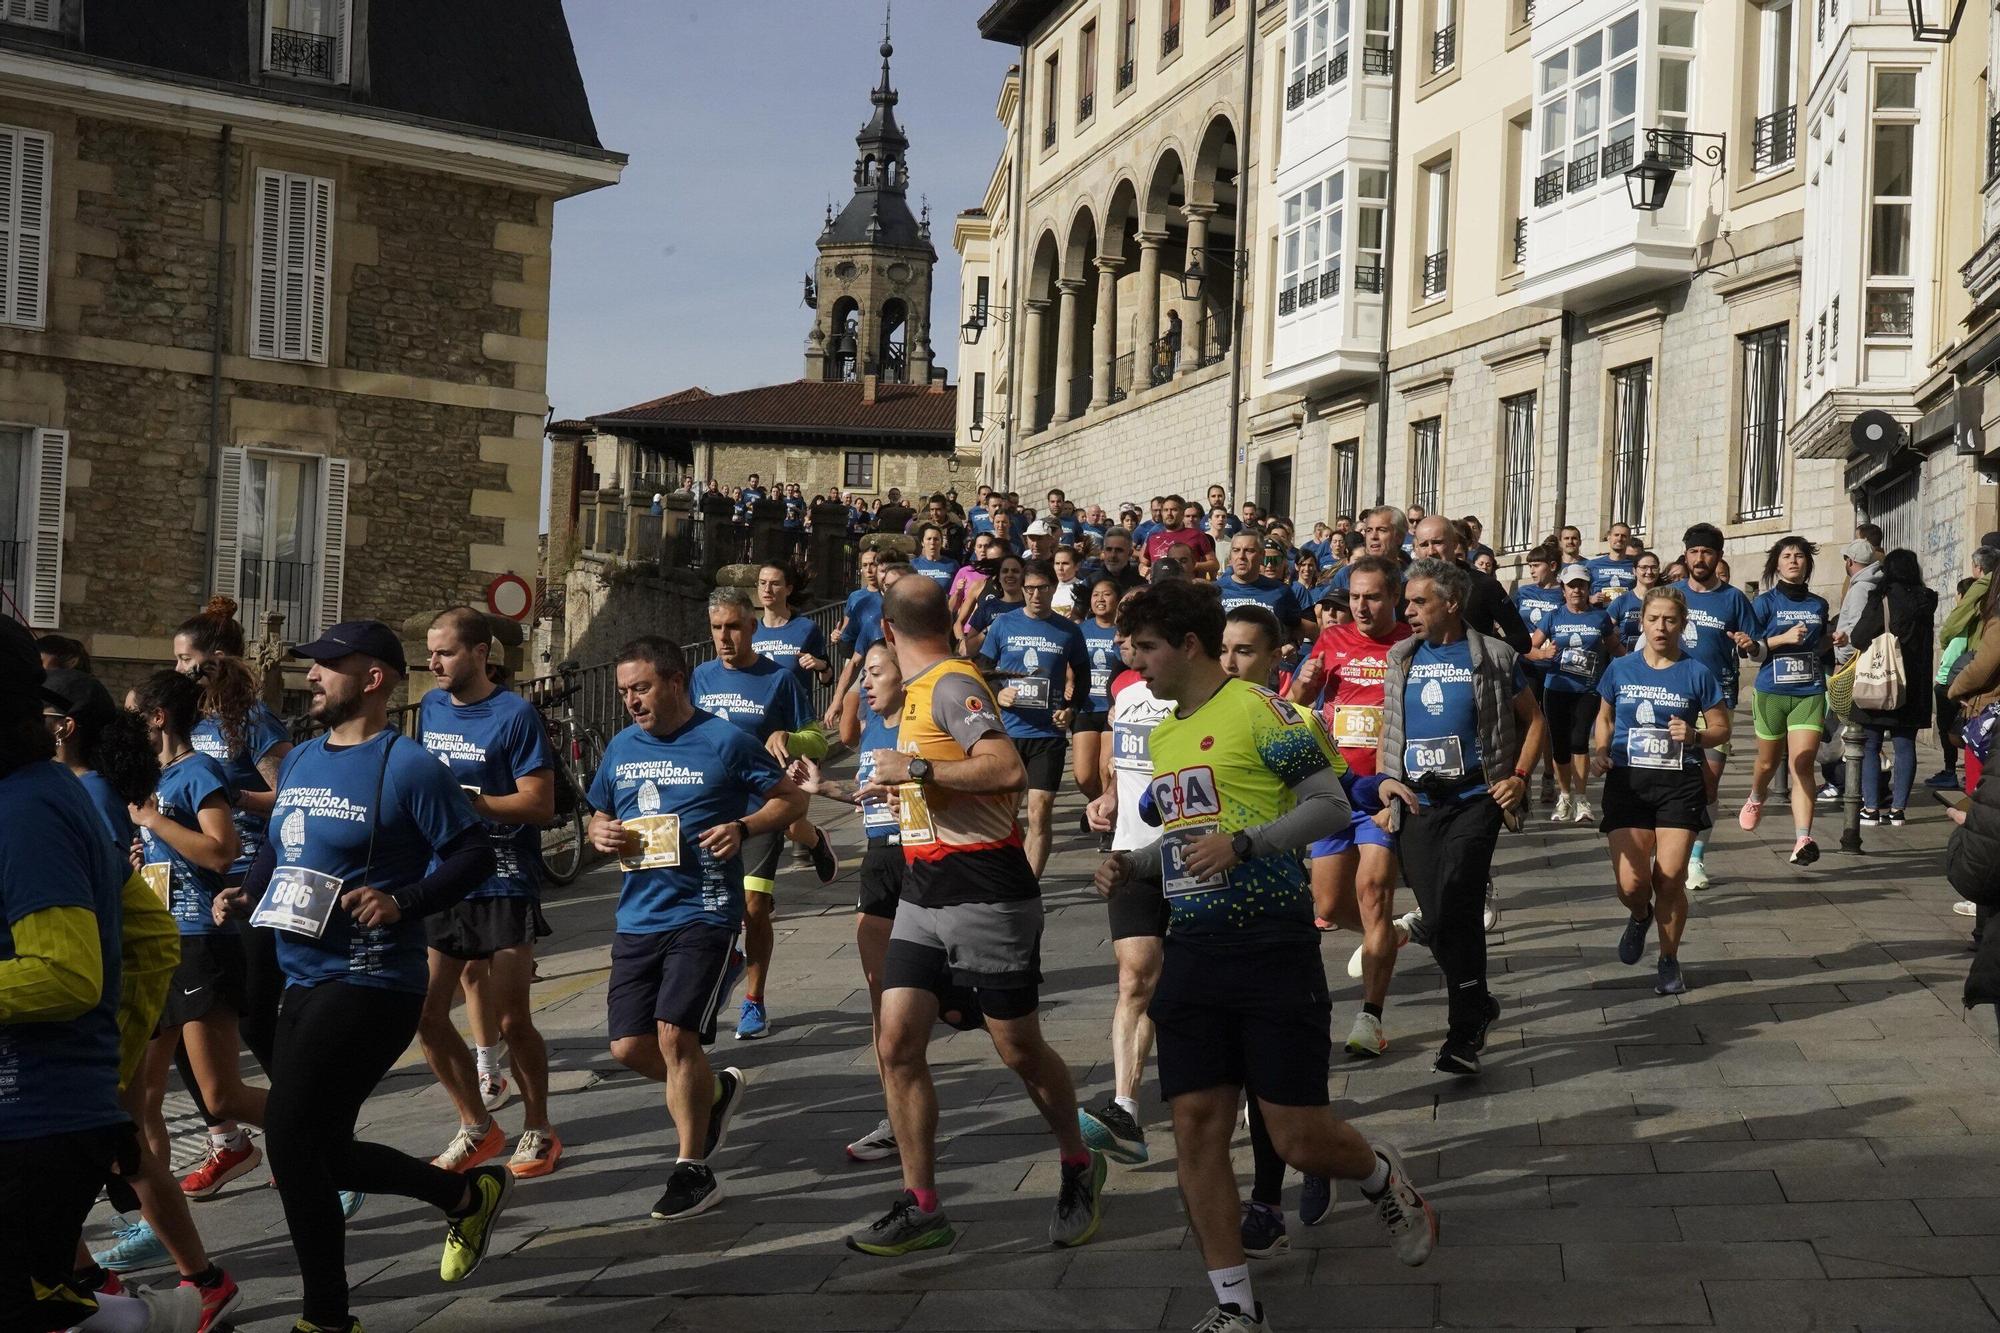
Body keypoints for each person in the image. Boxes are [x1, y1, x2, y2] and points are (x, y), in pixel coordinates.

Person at [1093, 581, 1436, 1331]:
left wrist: (1247, 844)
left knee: (1297, 1137)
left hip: (1273, 946)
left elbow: (1328, 804)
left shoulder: (1263, 712)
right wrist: (1135, 865)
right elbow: (1188, 842)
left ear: (1188, 645)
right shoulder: (1165, 735)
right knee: (1195, 1126)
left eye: (1145, 647)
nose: (1134, 663)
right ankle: (1237, 1308)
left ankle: (1379, 1175)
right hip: (1195, 950)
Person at [228, 620, 511, 1331]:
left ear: (374, 678)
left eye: (329, 664)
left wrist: (402, 900)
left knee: (291, 1141)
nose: (312, 676)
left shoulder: (408, 765)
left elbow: (473, 855)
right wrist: (247, 893)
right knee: (323, 1151)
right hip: (302, 976)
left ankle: (327, 1318)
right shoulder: (301, 758)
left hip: (373, 979)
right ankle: (464, 1197)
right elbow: (283, 847)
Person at [847, 576, 1105, 1257]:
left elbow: (1005, 768)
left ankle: (1078, 1159)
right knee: (897, 1043)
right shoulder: (919, 688)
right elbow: (934, 779)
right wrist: (900, 789)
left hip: (987, 889)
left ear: (887, 628)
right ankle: (922, 1204)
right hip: (923, 890)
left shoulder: (950, 685)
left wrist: (917, 772)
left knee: (1018, 1048)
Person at [0, 620, 208, 1333]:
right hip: (52, 1112)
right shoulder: (40, 790)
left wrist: (102, 1075)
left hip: (31, 1119)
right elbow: (149, 933)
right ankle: (135, 1320)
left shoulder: (26, 807)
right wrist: (107, 1074)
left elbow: (64, 973)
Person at [589, 635, 807, 1221]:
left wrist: (743, 826)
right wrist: (598, 832)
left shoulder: (724, 740)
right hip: (638, 915)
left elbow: (790, 800)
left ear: (675, 682)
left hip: (705, 910)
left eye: (641, 688)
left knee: (674, 1035)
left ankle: (693, 1170)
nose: (631, 701)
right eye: (624, 692)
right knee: (627, 1046)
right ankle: (714, 1091)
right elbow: (600, 812)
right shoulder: (621, 747)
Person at [1377, 559, 1546, 1078]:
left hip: (1477, 798)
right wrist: (1385, 782)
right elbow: (1391, 728)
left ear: (1451, 603)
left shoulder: (1494, 655)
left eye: (1419, 602)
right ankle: (1479, 1002)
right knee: (1439, 916)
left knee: (1458, 904)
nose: (1408, 611)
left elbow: (1534, 721)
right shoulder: (1402, 656)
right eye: (1407, 602)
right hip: (1417, 803)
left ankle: (1463, 1032)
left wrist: (1519, 776)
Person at [415, 608, 562, 1180]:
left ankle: (539, 1127)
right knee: (426, 1015)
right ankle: (476, 1125)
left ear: (480, 654)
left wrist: (470, 803)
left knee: (510, 1019)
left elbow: (540, 805)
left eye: (445, 653)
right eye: (430, 652)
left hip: (503, 878)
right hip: (444, 876)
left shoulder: (515, 715)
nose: (433, 663)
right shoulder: (430, 706)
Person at [174, 598, 294, 1195]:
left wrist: (233, 799)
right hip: (192, 883)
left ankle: (312, 1137)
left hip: (249, 877)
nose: (178, 670)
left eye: (185, 659)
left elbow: (294, 794)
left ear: (215, 659)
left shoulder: (253, 721)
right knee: (183, 1021)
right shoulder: (182, 722)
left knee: (255, 1019)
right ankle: (227, 1141)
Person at [689, 588, 835, 1040]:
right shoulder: (700, 677)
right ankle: (810, 837)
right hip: (710, 808)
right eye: (717, 628)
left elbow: (818, 738)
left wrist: (789, 738)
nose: (725, 637)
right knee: (711, 909)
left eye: (733, 627)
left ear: (752, 627)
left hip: (762, 805)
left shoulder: (779, 679)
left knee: (754, 907)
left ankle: (754, 1001)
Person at [1292, 555, 1415, 1061]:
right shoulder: (1332, 641)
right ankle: (1387, 935)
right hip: (1333, 788)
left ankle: (1370, 1018)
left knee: (1373, 891)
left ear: (1394, 598)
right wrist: (1304, 685)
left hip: (1381, 793)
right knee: (1327, 906)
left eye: (1373, 597)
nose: (1361, 607)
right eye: (1355, 597)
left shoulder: (1411, 643)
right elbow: (1294, 706)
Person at [791, 641, 907, 1163]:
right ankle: (896, 1115)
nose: (865, 683)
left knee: (963, 1003)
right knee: (880, 992)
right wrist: (823, 787)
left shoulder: (925, 723)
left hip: (925, 859)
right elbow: (866, 793)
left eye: (875, 673)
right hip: (880, 861)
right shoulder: (873, 729)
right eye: (864, 675)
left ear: (904, 676)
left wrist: (908, 793)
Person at [1589, 586, 1730, 997]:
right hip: (1628, 782)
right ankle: (1639, 915)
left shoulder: (1697, 672)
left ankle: (1668, 958)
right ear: (1642, 622)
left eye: (1670, 620)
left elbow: (1722, 728)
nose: (1661, 627)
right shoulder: (1621, 668)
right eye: (1653, 619)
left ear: (1682, 624)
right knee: (1632, 885)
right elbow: (1604, 716)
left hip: (1678, 783)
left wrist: (1696, 735)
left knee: (1669, 879)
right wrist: (1601, 750)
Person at [1077, 608, 1173, 1168]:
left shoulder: (1199, 697)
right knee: (1135, 976)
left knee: (1193, 985)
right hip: (1131, 856)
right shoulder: (1127, 693)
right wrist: (1109, 797)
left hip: (1197, 858)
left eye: (1140, 639)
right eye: (1123, 637)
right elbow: (1120, 765)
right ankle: (1126, 1110)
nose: (1127, 646)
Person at [976, 559, 1092, 878]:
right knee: (1006, 814)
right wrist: (999, 692)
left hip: (1047, 736)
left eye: (1042, 588)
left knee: (1039, 813)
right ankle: (1007, 873)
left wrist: (1071, 708)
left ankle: (1030, 884)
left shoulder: (1068, 630)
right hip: (1009, 735)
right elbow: (982, 669)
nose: (1035, 595)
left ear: (1053, 589)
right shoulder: (1003, 625)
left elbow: (1083, 675)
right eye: (1030, 589)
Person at [1671, 524, 1759, 890]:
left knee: (1708, 783)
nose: (1700, 558)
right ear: (1686, 555)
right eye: (1694, 551)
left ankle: (1695, 859)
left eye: (1707, 552)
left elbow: (1756, 647)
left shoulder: (1734, 599)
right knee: (1668, 779)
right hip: (1672, 698)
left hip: (1716, 702)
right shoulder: (1671, 595)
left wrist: (1748, 645)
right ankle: (1668, 850)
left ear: (1718, 556)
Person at [1738, 537, 1833, 867]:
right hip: (1772, 693)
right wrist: (1783, 638)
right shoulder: (1764, 603)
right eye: (1787, 556)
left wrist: (1832, 640)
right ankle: (1756, 795)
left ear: (1807, 563)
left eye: (1799, 556)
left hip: (1809, 691)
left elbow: (1818, 646)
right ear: (1776, 564)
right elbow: (1752, 651)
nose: (1793, 561)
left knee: (1803, 763)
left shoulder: (1819, 604)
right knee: (1767, 763)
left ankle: (1803, 839)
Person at [1846, 548, 1937, 824]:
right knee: (1905, 746)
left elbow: (1859, 637)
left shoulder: (1881, 598)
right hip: (1913, 687)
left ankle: (1871, 808)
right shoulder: (1927, 600)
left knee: (1871, 745)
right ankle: (1898, 810)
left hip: (1880, 681)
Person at [1527, 564, 1623, 823]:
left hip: (1588, 689)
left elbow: (1614, 647)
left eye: (1581, 585)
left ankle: (1581, 798)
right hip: (1557, 688)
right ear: (1563, 589)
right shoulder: (1553, 617)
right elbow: (1529, 648)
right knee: (1559, 745)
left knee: (1579, 740)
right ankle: (1565, 795)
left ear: (1588, 588)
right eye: (1571, 586)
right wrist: (1543, 654)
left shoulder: (1600, 617)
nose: (1576, 590)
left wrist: (1637, 664)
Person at [1071, 578, 1123, 842]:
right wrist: (1069, 684)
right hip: (1087, 706)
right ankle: (1098, 803)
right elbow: (1069, 663)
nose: (1100, 599)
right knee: (1083, 776)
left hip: (1112, 708)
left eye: (1107, 594)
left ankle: (1109, 825)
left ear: (1117, 599)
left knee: (1106, 768)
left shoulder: (1123, 631)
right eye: (1096, 595)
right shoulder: (1080, 630)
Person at [752, 563, 834, 695]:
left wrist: (821, 667)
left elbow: (827, 680)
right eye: (762, 583)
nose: (767, 589)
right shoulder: (749, 630)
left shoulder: (807, 628)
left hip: (794, 707)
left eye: (775, 584)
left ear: (788, 589)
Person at [1217, 532, 1307, 638]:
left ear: (1262, 556)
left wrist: (1293, 644)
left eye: (1249, 551)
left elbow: (1297, 628)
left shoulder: (1282, 592)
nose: (1241, 556)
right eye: (1236, 550)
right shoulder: (1215, 591)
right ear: (1230, 556)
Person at [1605, 550, 1662, 648]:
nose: (1649, 572)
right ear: (1634, 571)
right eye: (1644, 567)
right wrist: (1620, 651)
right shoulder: (1621, 601)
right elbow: (1604, 631)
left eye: (1653, 567)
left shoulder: (1665, 601)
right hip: (1627, 655)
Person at [911, 523, 961, 591]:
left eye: (936, 539)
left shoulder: (952, 565)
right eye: (929, 539)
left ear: (941, 542)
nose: (932, 542)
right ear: (922, 542)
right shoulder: (913, 565)